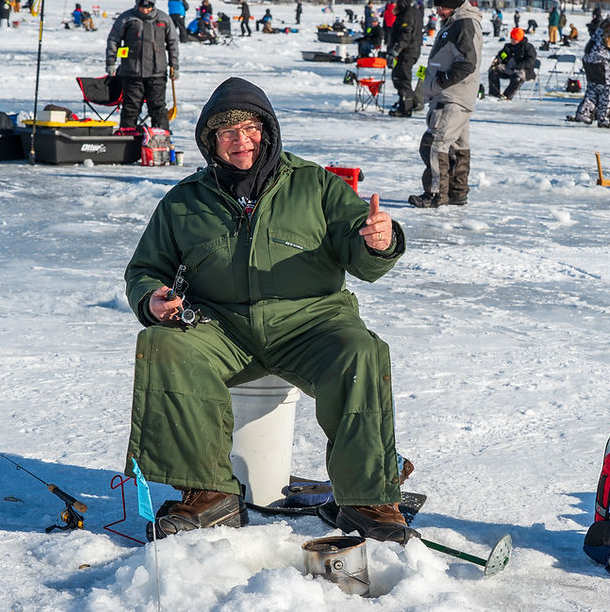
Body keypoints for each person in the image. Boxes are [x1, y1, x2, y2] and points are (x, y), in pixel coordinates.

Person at [124, 76, 415, 544]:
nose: (242, 140)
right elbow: (145, 268)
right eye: (228, 131)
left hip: (312, 323)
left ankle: (367, 499)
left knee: (361, 352)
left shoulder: (315, 184)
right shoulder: (184, 201)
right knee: (163, 346)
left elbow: (360, 249)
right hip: (221, 328)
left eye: (250, 127)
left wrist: (381, 239)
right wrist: (151, 297)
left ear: (268, 130)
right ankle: (208, 494)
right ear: (210, 141)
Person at [409, 0, 482, 208]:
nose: (437, 10)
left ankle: (434, 194)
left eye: (440, 6)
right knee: (457, 147)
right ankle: (457, 192)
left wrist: (440, 82)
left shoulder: (464, 25)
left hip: (452, 98)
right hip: (453, 97)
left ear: (452, 5)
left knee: (433, 144)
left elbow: (467, 63)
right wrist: (423, 78)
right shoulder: (454, 23)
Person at [105, 0, 179, 130]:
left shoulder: (164, 19)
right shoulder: (127, 18)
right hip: (131, 73)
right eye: (142, 6)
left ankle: (160, 140)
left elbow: (173, 44)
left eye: (148, 7)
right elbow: (113, 40)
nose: (145, 10)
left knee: (158, 109)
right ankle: (127, 139)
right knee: (130, 108)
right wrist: (111, 62)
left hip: (157, 73)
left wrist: (174, 66)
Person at [567, 7, 610, 128]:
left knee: (593, 87)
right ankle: (604, 119)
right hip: (602, 59)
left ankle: (583, 114)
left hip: (589, 57)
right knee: (608, 88)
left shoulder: (608, 21)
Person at [386, 0, 422, 117]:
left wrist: (395, 51)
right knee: (399, 76)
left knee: (401, 79)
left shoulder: (408, 14)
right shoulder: (411, 12)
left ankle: (405, 108)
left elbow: (405, 36)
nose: (396, 1)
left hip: (407, 51)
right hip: (410, 51)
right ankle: (414, 102)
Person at [487, 27, 537, 100]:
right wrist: (498, 61)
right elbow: (502, 56)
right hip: (508, 68)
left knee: (517, 78)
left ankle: (506, 97)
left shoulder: (528, 48)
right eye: (511, 38)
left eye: (514, 38)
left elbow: (530, 60)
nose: (512, 40)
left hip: (523, 70)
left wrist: (519, 66)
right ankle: (494, 94)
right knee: (493, 71)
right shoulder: (508, 47)